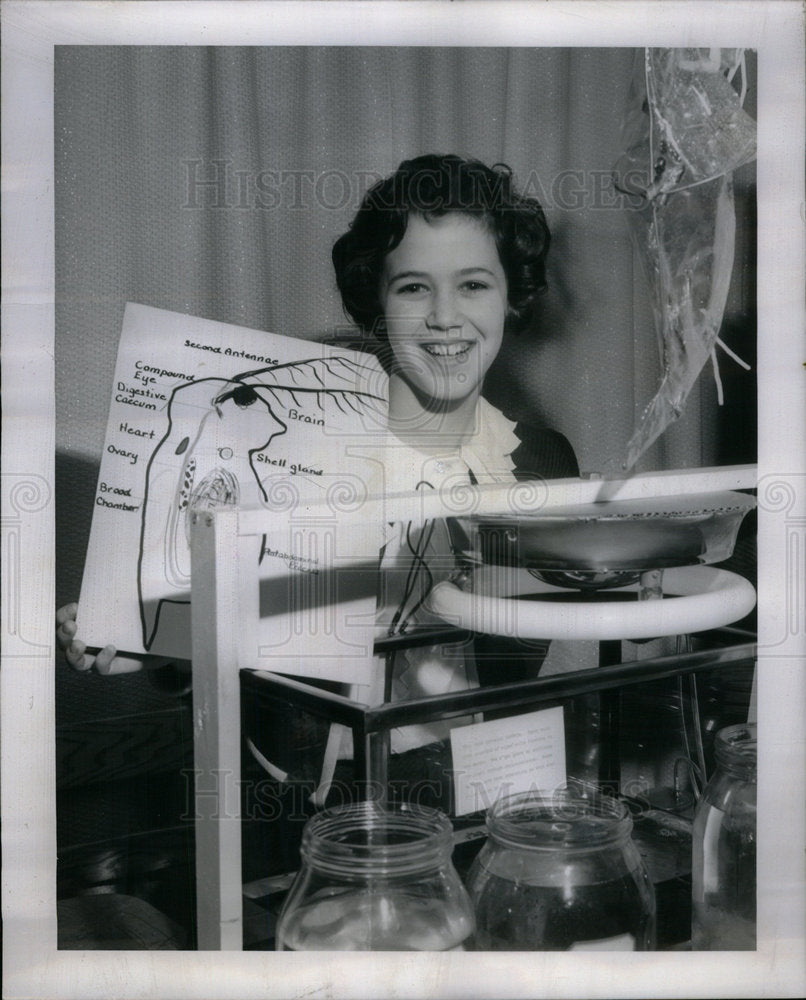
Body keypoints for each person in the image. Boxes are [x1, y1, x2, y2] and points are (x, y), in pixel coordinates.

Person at [57, 153, 579, 807]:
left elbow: (526, 639)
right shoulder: (289, 435)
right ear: (377, 302)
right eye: (414, 287)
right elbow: (252, 607)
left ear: (512, 296)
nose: (446, 317)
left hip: (482, 789)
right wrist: (149, 638)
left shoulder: (543, 460)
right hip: (297, 802)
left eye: (473, 284)